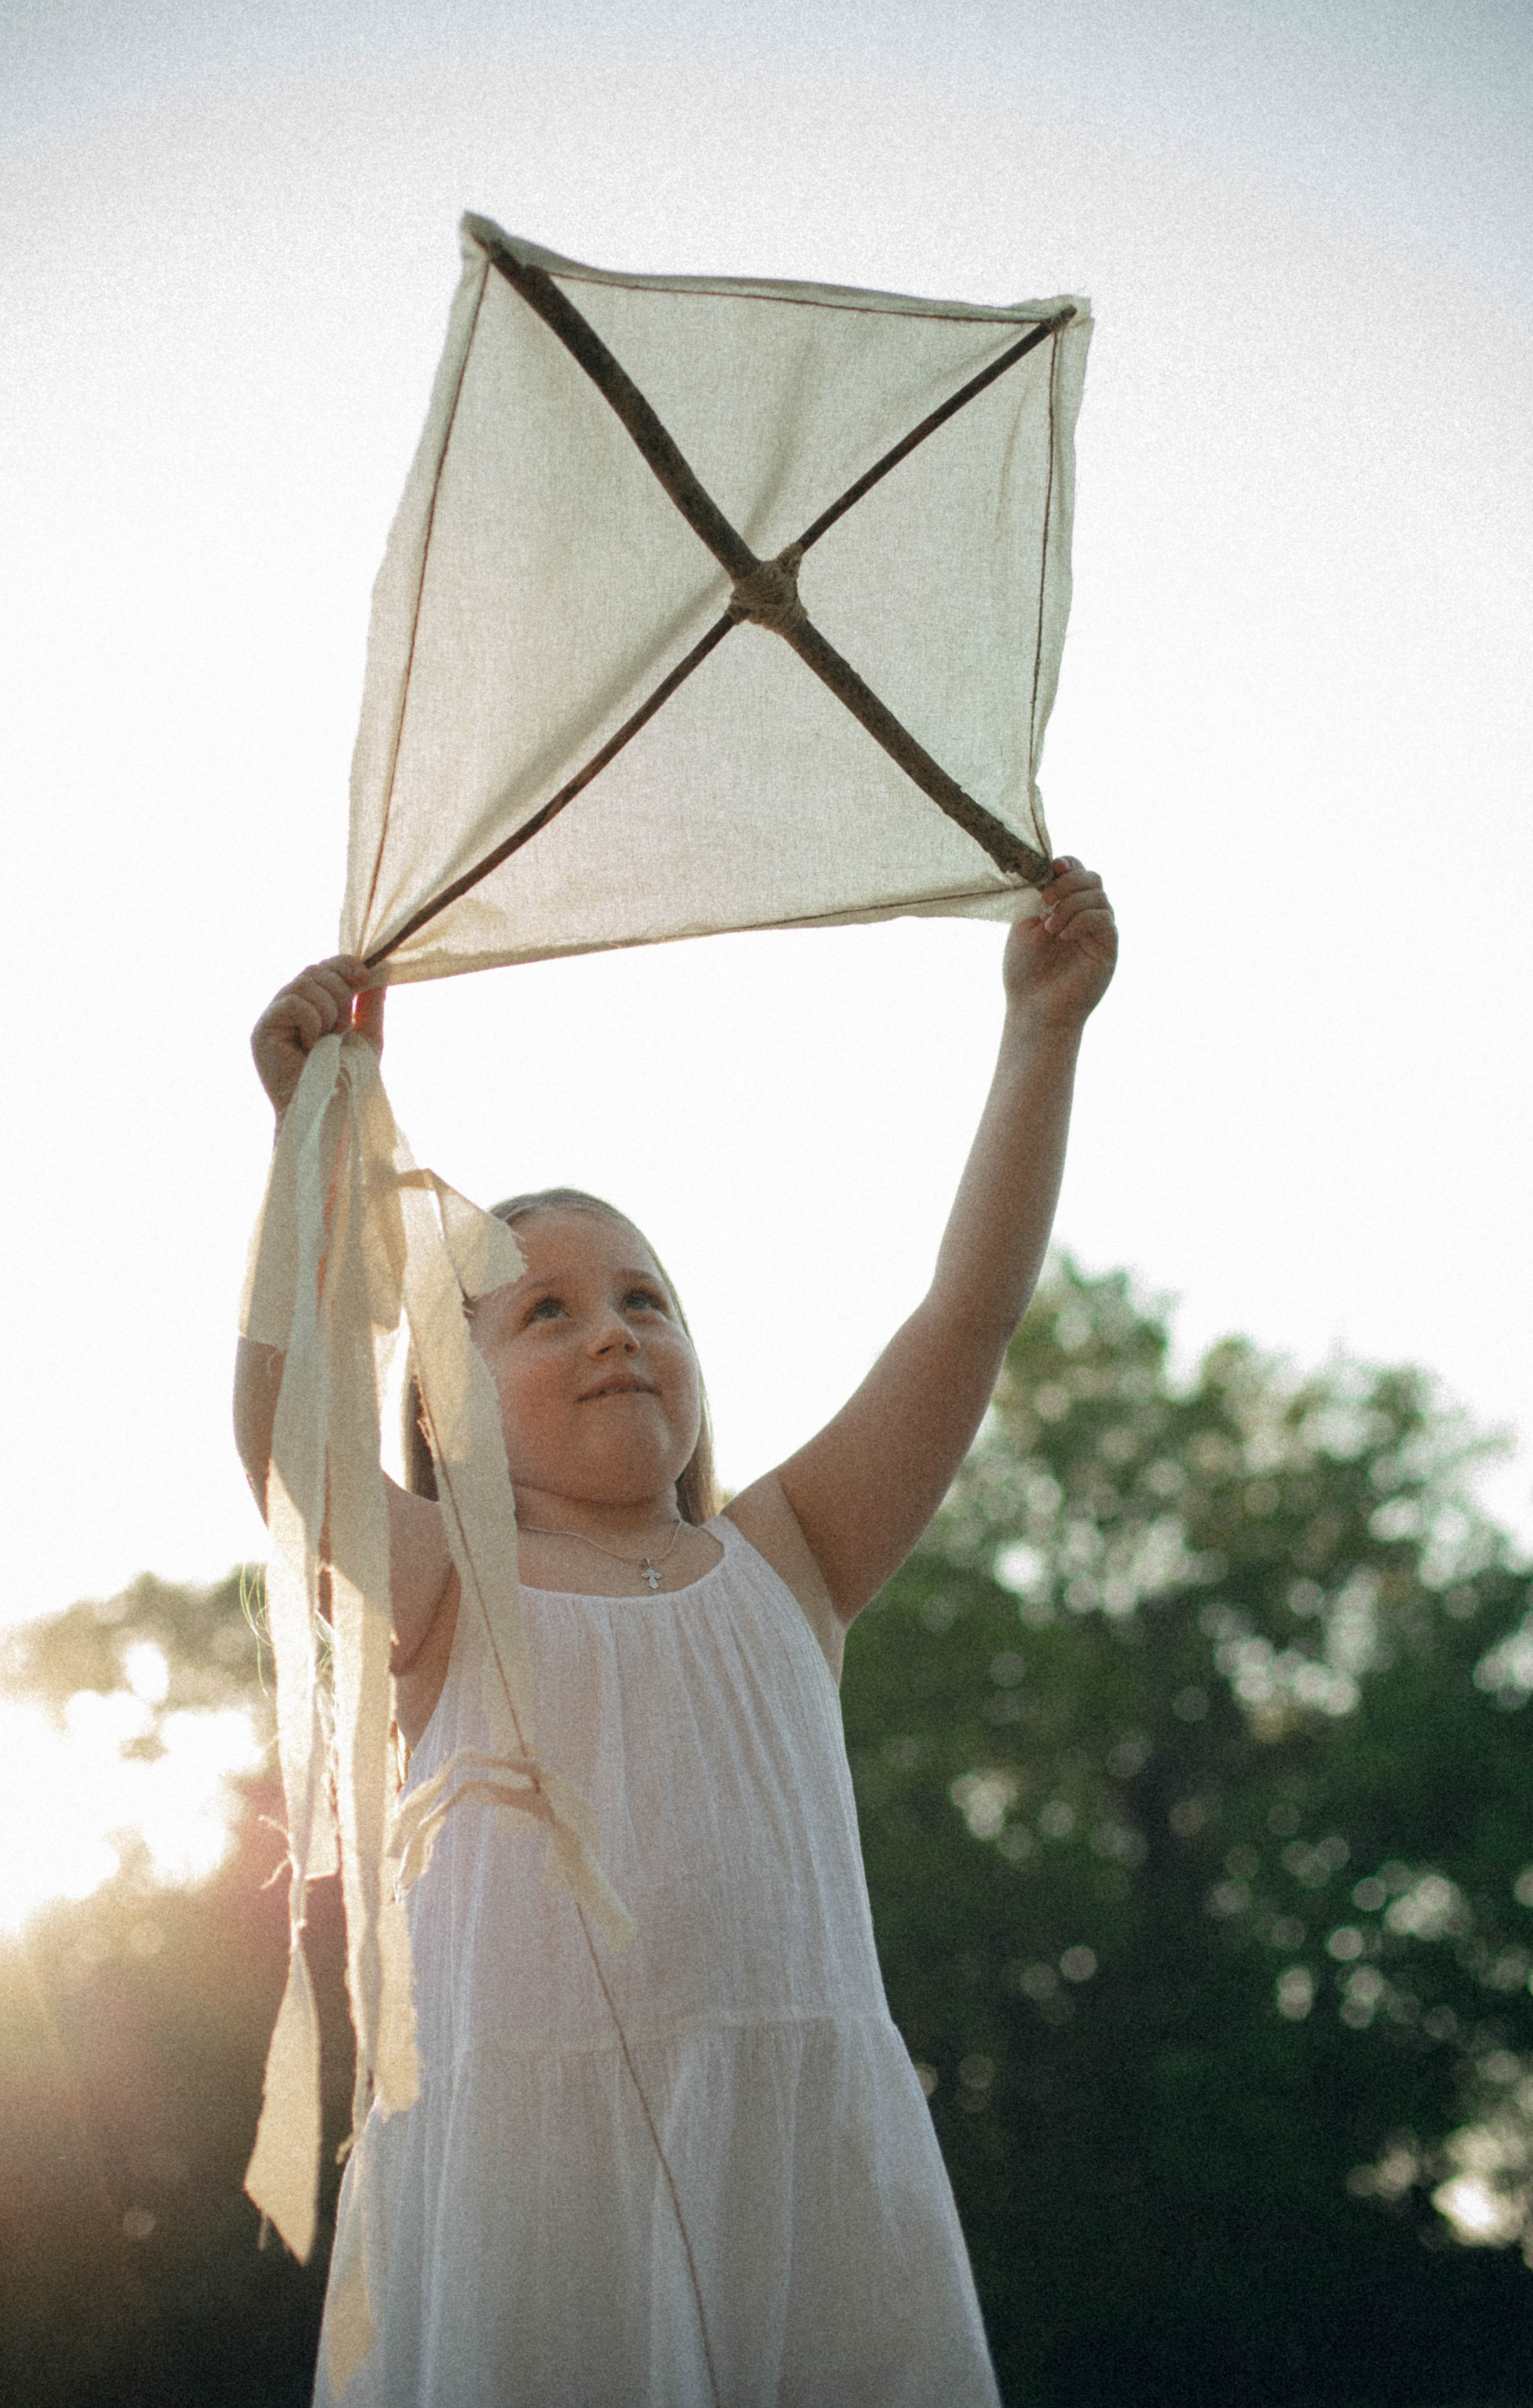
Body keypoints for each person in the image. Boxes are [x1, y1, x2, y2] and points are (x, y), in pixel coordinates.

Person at [236, 858, 1117, 2408]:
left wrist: (1039, 1034)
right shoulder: (448, 1594)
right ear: (442, 1404)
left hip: (804, 2180)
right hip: (534, 2208)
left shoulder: (789, 1559)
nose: (613, 1330)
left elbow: (963, 1318)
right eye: (543, 1310)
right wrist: (310, 1155)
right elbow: (281, 1430)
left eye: (644, 1298)